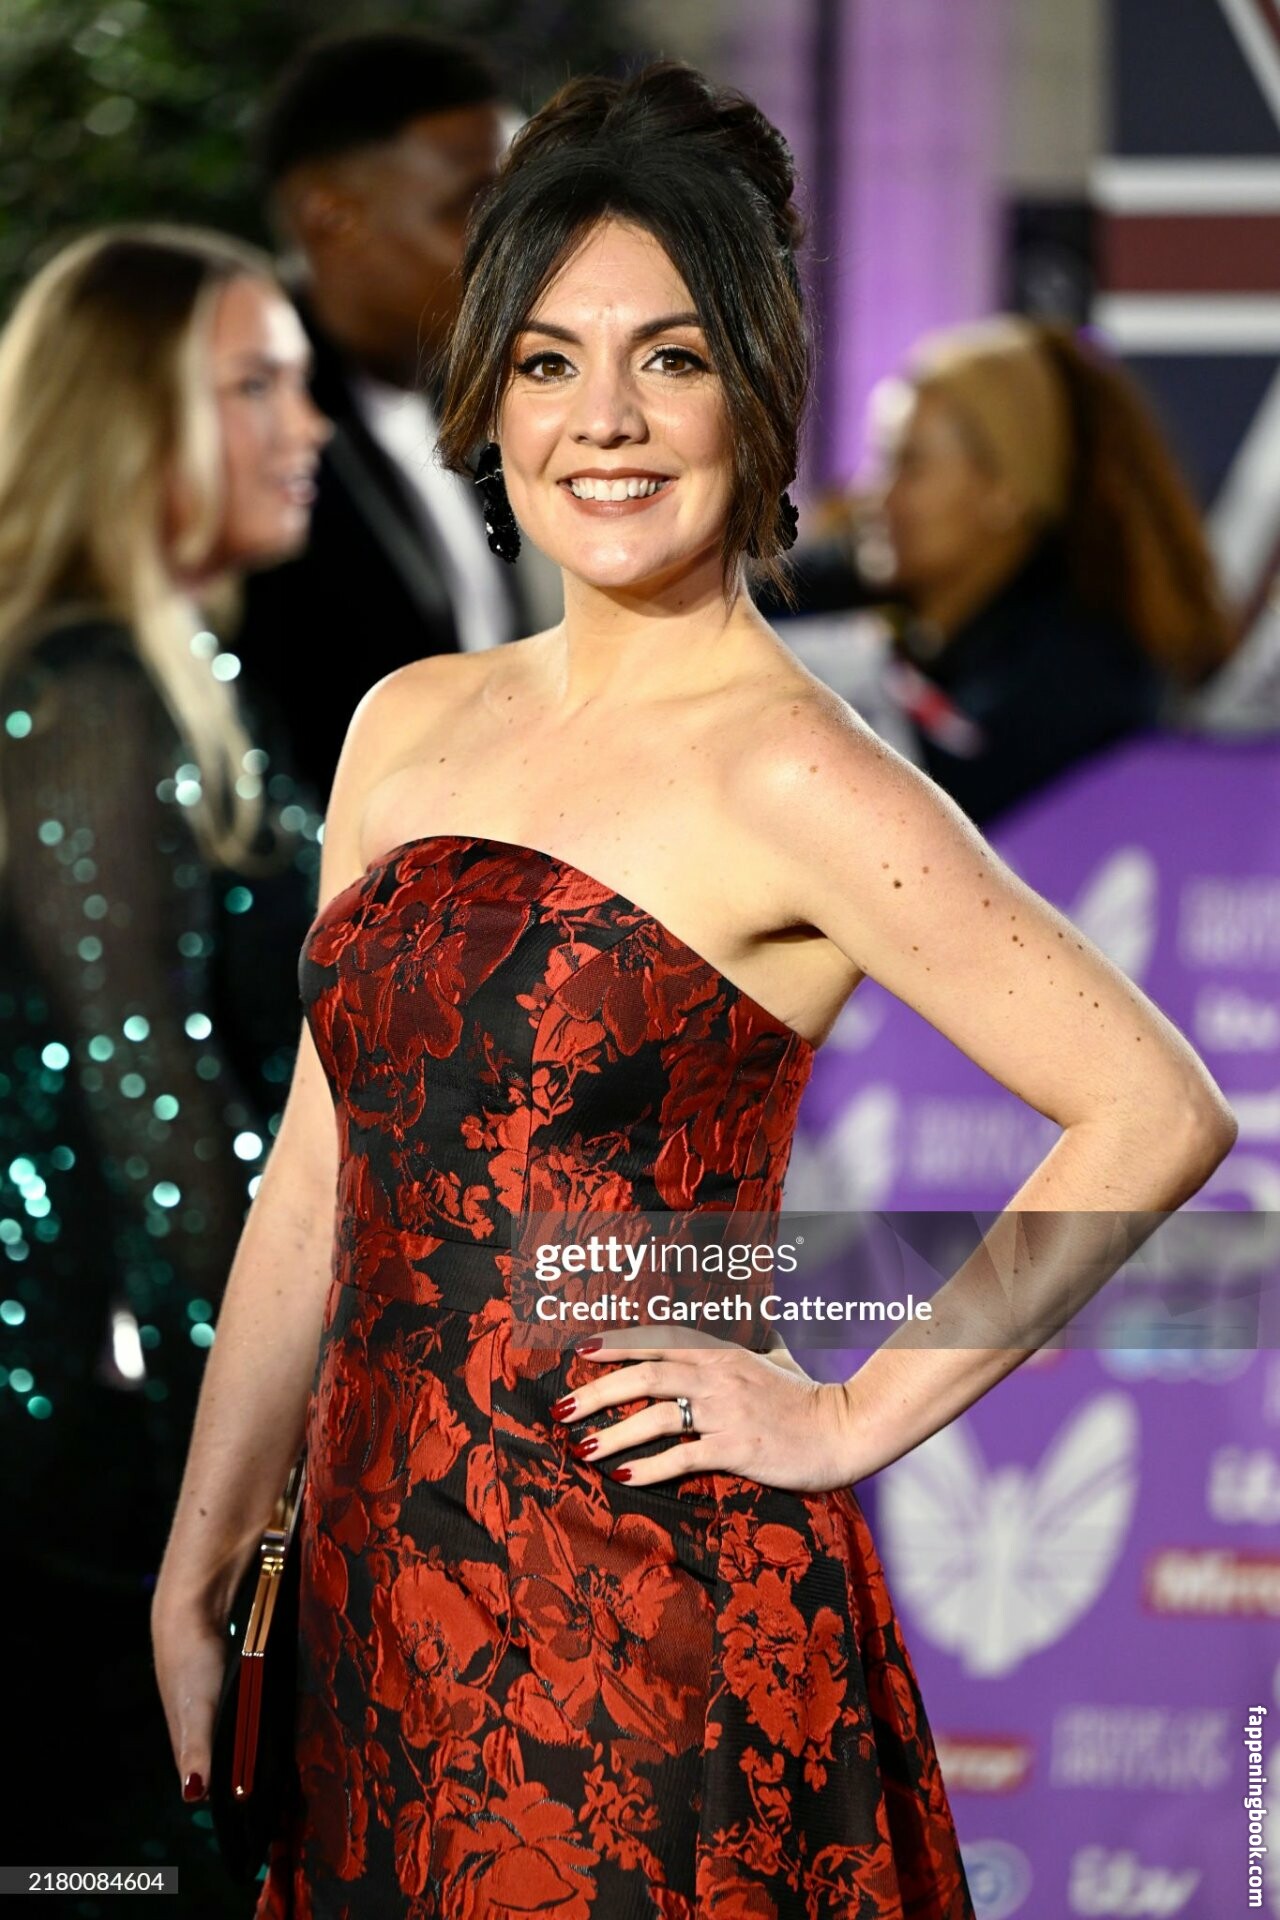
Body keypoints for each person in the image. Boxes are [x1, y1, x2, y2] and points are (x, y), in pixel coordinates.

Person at [151, 65, 1237, 1917]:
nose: (607, 420)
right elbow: (319, 1179)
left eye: (671, 357)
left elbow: (1156, 1110)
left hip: (635, 1633)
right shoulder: (406, 722)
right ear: (490, 396)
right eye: (551, 361)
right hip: (366, 1598)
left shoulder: (797, 773)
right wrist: (208, 1547)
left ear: (760, 390)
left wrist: (847, 1416)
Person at [0, 225, 328, 1890]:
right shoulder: (93, 694)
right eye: (255, 385)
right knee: (117, 1871)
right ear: (131, 421)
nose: (308, 425)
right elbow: (154, 1103)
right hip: (96, 1451)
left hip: (129, 1420)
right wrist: (261, 1450)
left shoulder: (172, 678)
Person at [234, 28, 548, 805]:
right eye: (473, 208)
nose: (518, 250)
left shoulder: (485, 406)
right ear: (331, 217)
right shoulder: (248, 446)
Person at [861, 315, 1236, 826]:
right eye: (882, 462)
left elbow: (934, 804)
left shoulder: (1087, 669)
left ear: (1004, 493)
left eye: (910, 465)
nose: (876, 496)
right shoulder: (856, 591)